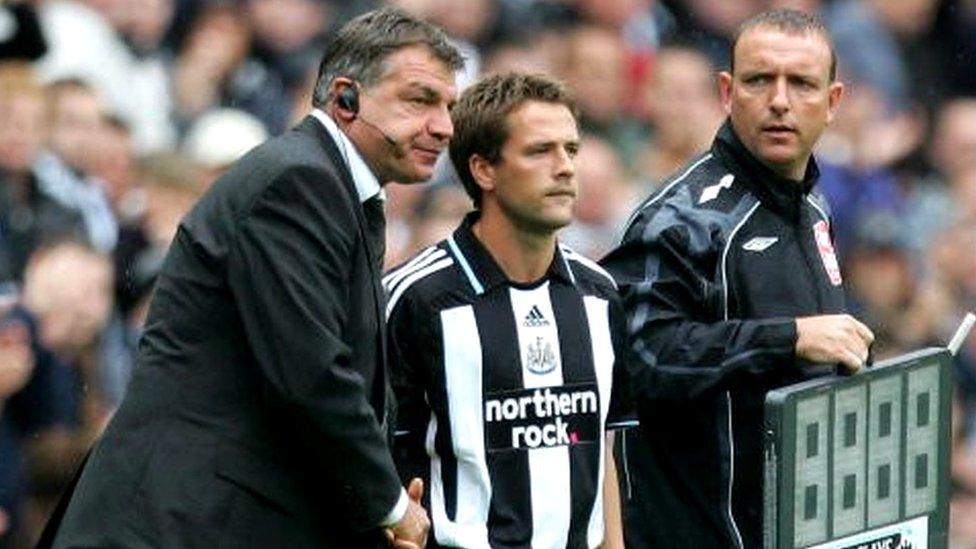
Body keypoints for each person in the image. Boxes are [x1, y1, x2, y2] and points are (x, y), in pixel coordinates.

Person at [40, 8, 461, 548]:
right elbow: (310, 374)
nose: (444, 126)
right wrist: (388, 505)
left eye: (448, 105)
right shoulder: (298, 182)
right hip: (170, 526)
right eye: (420, 99)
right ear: (345, 98)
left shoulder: (332, 187)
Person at [601, 10, 875, 548]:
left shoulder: (815, 208)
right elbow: (639, 356)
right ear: (727, 92)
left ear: (833, 102)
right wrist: (788, 336)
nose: (779, 100)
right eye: (758, 80)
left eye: (800, 83)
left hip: (795, 527)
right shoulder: (681, 218)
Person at [385, 73, 631, 548]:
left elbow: (600, 447)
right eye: (540, 151)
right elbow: (374, 451)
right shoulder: (415, 299)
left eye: (571, 150)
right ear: (484, 170)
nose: (565, 168)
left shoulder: (599, 295)